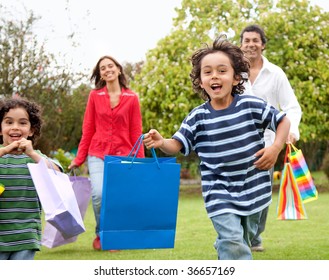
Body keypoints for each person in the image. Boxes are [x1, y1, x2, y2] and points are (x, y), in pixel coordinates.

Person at [143, 35, 290, 260]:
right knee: (233, 242)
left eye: (222, 70)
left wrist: (275, 148)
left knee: (243, 240)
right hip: (218, 189)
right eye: (208, 72)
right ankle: (228, 246)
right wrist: (162, 142)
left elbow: (282, 121)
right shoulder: (197, 117)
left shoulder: (250, 105)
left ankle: (226, 246)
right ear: (201, 81)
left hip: (254, 187)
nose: (215, 76)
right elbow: (177, 144)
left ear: (235, 78)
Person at [68, 55, 144, 250]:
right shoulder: (95, 96)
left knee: (118, 197)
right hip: (98, 153)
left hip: (124, 155)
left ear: (119, 69)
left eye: (111, 66)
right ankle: (101, 233)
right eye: (103, 68)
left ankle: (113, 237)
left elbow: (136, 132)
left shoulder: (132, 98)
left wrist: (140, 163)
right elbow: (88, 129)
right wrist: (79, 158)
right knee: (99, 194)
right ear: (100, 74)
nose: (107, 70)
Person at [240, 24, 302, 252]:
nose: (251, 44)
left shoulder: (276, 74)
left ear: (263, 45)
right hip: (236, 142)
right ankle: (241, 236)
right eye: (246, 40)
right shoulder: (233, 73)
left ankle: (254, 237)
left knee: (261, 193)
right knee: (237, 191)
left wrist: (291, 130)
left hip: (268, 143)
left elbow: (291, 107)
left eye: (255, 40)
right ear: (241, 44)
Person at [0, 97, 62, 260]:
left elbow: (59, 174)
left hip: (26, 236)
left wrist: (33, 153)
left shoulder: (35, 158)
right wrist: (4, 151)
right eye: (8, 122)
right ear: (0, 129)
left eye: (22, 123)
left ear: (32, 130)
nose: (15, 127)